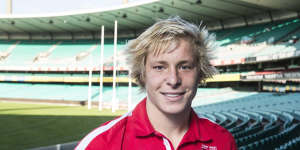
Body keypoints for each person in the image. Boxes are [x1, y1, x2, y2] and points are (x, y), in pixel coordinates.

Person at [75, 16, 237, 150]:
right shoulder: (100, 144)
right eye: (159, 67)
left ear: (200, 72)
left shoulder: (222, 140)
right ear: (142, 74)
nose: (173, 80)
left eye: (185, 67)